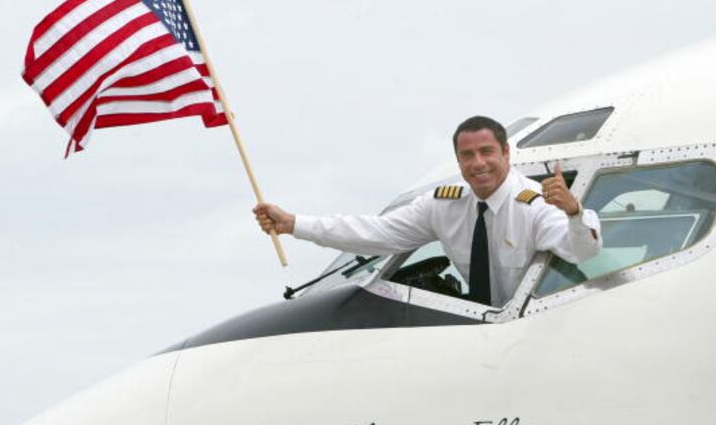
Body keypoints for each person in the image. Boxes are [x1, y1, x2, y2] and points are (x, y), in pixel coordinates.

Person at [254, 116, 602, 307]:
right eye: (467, 155)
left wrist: (574, 211)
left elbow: (583, 251)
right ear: (458, 161)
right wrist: (294, 224)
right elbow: (376, 233)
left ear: (506, 153)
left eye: (487, 152)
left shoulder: (532, 204)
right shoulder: (445, 205)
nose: (478, 163)